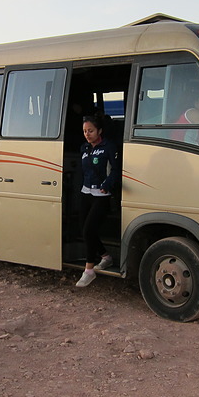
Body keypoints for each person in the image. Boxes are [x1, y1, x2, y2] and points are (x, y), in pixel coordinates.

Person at [75, 113, 121, 288]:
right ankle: (105, 257)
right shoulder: (84, 148)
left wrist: (107, 184)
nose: (87, 134)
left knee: (88, 230)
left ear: (99, 130)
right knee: (85, 230)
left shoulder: (109, 146)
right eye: (85, 131)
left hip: (101, 195)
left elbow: (116, 170)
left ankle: (88, 271)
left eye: (91, 131)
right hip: (86, 192)